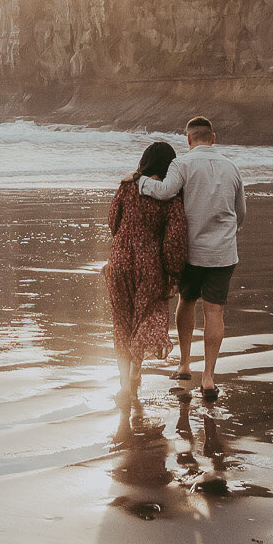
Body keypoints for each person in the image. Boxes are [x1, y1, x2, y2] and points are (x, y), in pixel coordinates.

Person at [138, 115, 246, 399]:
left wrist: (139, 182)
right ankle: (208, 378)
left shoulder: (181, 164)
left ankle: (184, 364)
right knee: (215, 312)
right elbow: (241, 212)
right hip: (223, 252)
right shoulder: (232, 167)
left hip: (192, 252)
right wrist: (225, 235)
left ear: (188, 140)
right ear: (213, 137)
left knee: (186, 301)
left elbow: (163, 192)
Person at [105, 141, 188, 398]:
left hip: (119, 261)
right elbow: (174, 240)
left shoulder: (126, 187)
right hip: (149, 266)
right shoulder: (169, 196)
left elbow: (112, 221)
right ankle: (135, 372)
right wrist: (174, 275)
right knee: (145, 318)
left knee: (122, 321)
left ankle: (125, 381)